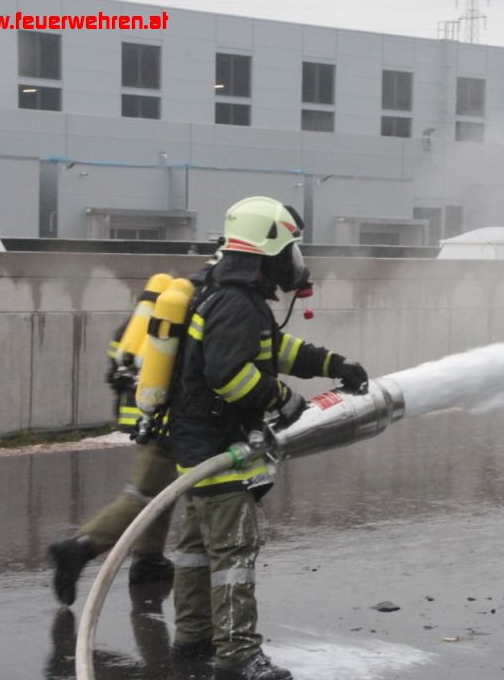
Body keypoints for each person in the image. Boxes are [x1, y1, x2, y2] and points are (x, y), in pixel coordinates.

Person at [167, 196, 369, 680]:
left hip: (198, 441)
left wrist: (332, 365)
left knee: (197, 546)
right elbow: (230, 376)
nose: (295, 262)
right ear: (268, 252)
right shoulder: (237, 304)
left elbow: (273, 349)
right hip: (219, 444)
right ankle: (239, 656)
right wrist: (285, 401)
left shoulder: (229, 295)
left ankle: (193, 638)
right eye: (290, 249)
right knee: (233, 552)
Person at [47, 329, 177, 606]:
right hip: (171, 418)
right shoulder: (190, 306)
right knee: (142, 496)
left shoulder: (154, 311)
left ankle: (149, 561)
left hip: (152, 414)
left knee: (158, 492)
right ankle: (80, 547)